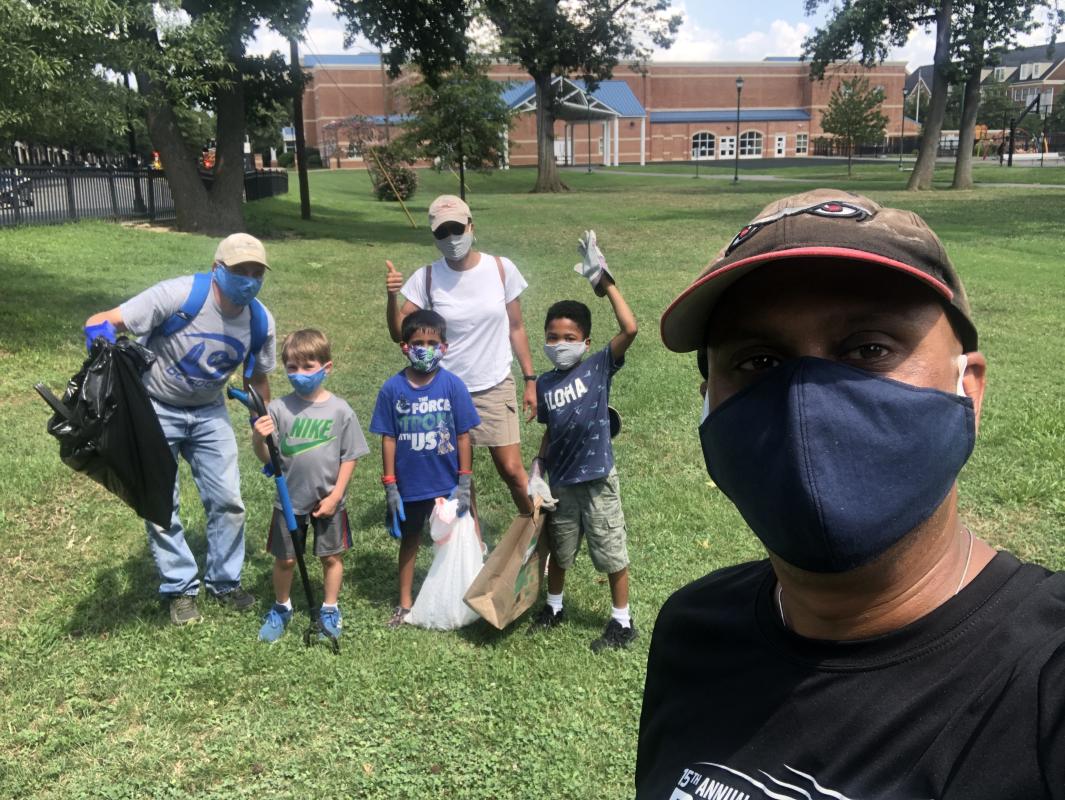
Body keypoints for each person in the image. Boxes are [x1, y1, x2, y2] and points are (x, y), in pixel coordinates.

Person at [636, 189, 1065, 799]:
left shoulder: (1046, 686)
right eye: (758, 361)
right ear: (706, 406)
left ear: (967, 388)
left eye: (869, 349)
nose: (806, 402)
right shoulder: (692, 630)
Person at [83, 233, 276, 625]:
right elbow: (99, 321)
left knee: (229, 500)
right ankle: (181, 588)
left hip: (209, 410)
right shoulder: (177, 295)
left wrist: (263, 423)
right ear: (217, 269)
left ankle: (224, 581)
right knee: (160, 504)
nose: (249, 279)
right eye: (241, 271)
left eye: (257, 272)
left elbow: (256, 378)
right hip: (155, 407)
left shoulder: (259, 320)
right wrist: (101, 344)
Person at [385, 194, 536, 516]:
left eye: (457, 229)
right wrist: (391, 298)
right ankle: (474, 546)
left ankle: (537, 529)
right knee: (458, 477)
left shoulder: (500, 268)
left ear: (471, 226)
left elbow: (517, 327)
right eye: (443, 232)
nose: (452, 238)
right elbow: (400, 333)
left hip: (494, 383)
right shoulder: (426, 278)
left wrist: (530, 379)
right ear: (434, 237)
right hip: (446, 391)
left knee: (511, 469)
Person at [526, 232, 639, 652]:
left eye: (569, 338)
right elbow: (549, 430)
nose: (559, 344)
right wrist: (538, 469)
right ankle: (554, 607)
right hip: (562, 483)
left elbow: (630, 327)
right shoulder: (545, 385)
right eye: (552, 337)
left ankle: (622, 622)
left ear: (586, 343)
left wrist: (604, 281)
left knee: (611, 551)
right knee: (560, 549)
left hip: (597, 478)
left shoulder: (596, 367)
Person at [251, 329, 369, 643]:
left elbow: (350, 455)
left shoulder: (340, 410)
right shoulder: (277, 408)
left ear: (326, 367)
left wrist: (337, 495)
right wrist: (257, 436)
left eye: (307, 366)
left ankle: (329, 608)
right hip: (288, 500)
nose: (299, 374)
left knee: (331, 556)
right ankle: (281, 607)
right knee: (286, 559)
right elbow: (266, 456)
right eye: (291, 367)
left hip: (329, 499)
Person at [370, 309, 480, 628]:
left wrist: (464, 480)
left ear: (444, 346)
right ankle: (405, 604)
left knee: (453, 540)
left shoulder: (453, 386)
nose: (425, 348)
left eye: (432, 342)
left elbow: (463, 435)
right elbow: (388, 438)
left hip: (446, 484)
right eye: (417, 342)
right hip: (411, 486)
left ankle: (459, 596)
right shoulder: (392, 389)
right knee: (410, 541)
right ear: (404, 346)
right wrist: (390, 483)